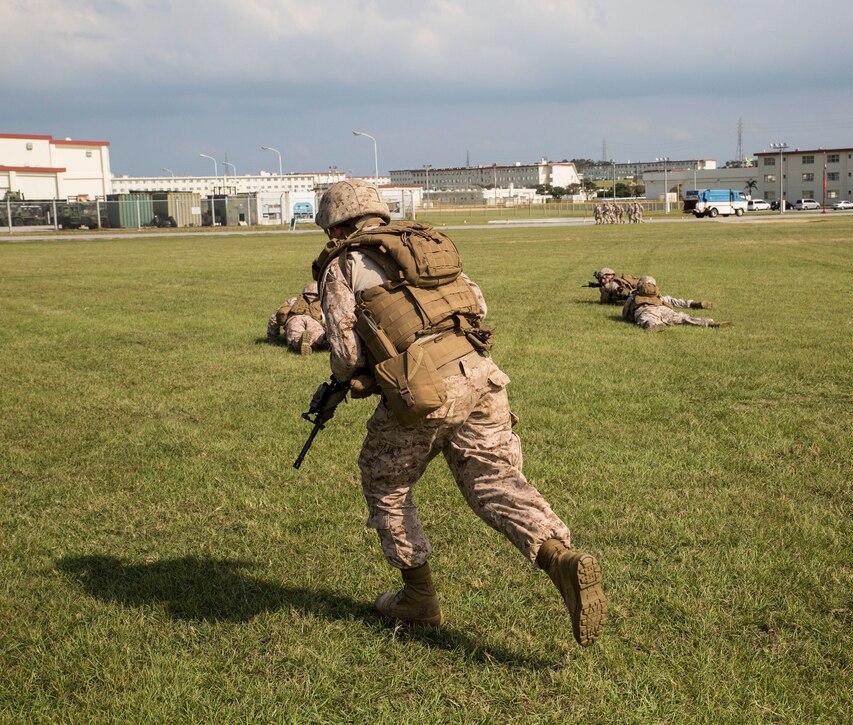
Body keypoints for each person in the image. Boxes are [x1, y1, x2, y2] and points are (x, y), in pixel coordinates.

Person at [312, 179, 606, 645]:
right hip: (481, 376)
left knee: (386, 481)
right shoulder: (426, 245)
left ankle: (418, 598)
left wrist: (365, 375)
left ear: (333, 226)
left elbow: (346, 354)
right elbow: (479, 304)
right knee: (494, 481)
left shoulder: (342, 265)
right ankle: (561, 558)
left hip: (424, 393)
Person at [622, 275, 728, 331]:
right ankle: (708, 322)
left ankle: (655, 325)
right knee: (684, 318)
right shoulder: (659, 296)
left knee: (647, 320)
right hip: (664, 309)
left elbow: (626, 312)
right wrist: (691, 303)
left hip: (645, 311)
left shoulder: (633, 296)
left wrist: (630, 318)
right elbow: (674, 301)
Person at [267, 282, 328, 355]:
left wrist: (272, 338)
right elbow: (328, 321)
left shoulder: (294, 300)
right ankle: (322, 340)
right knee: (317, 337)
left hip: (295, 319)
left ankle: (300, 342)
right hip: (314, 321)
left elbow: (275, 317)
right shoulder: (322, 303)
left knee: (295, 337)